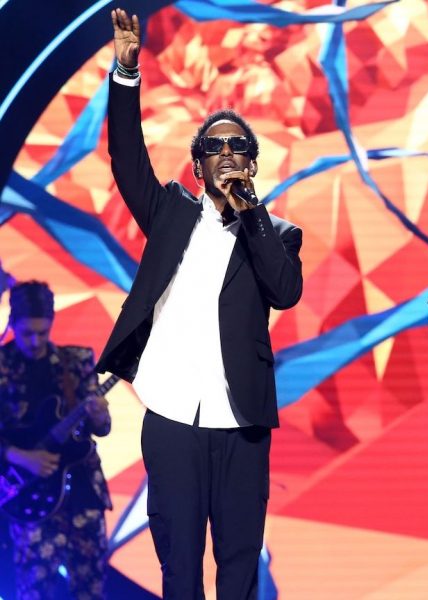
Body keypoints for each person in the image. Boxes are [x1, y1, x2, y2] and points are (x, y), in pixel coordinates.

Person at [96, 10, 303, 599]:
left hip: (241, 421)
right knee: (180, 567)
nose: (229, 153)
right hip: (171, 417)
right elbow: (125, 158)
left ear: (253, 163)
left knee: (238, 567)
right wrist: (127, 73)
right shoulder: (169, 213)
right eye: (216, 146)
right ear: (198, 164)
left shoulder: (277, 233)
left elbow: (284, 292)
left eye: (239, 146)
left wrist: (252, 210)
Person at [0, 281, 112, 599]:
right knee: (35, 589)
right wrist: (19, 456)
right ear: (13, 323)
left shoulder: (75, 361)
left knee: (90, 587)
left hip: (81, 492)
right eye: (26, 334)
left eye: (42, 332)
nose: (35, 341)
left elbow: (99, 428)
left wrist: (100, 416)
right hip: (28, 497)